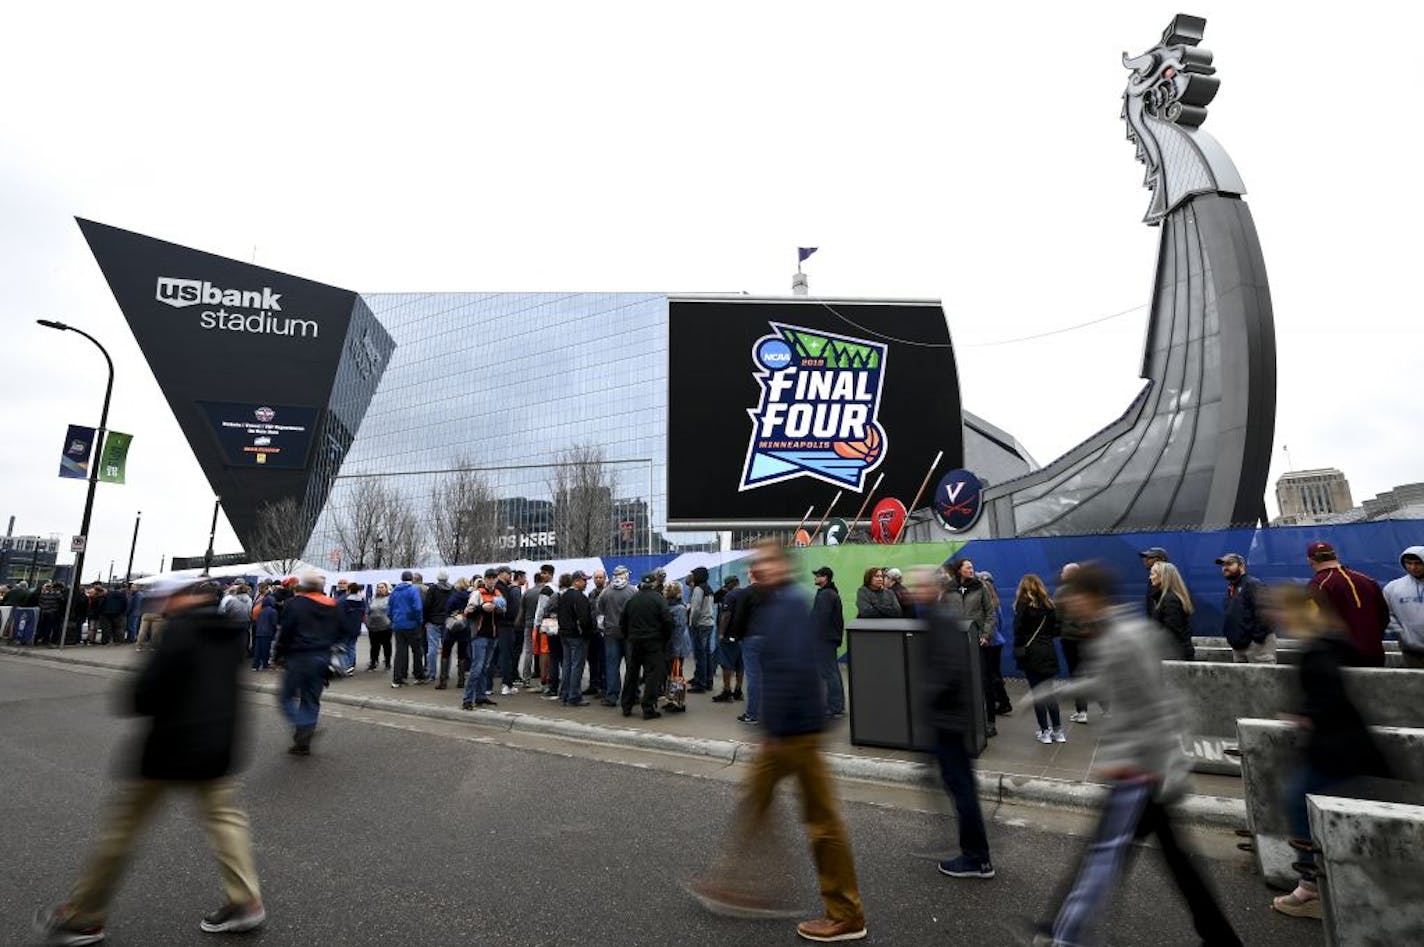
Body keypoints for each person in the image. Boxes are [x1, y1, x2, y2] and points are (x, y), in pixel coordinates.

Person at [32, 579, 266, 944]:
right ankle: (245, 901)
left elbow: (145, 694)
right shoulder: (229, 632)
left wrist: (140, 695)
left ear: (184, 597)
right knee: (226, 822)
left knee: (122, 829)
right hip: (219, 744)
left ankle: (84, 915)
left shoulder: (180, 631)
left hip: (172, 746)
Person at [1031, 563, 1241, 947]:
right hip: (1143, 770)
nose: (1067, 606)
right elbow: (1111, 683)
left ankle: (1067, 933)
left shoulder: (1122, 637)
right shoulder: (1118, 633)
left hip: (1139, 771)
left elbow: (1158, 704)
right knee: (1163, 860)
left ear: (1088, 596)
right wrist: (1053, 692)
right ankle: (1220, 937)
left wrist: (1166, 766)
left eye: (1071, 597)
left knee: (1103, 857)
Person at [689, 542, 867, 942]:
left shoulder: (787, 605)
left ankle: (846, 914)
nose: (758, 570)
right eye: (756, 565)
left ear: (783, 568)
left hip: (795, 732)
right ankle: (741, 885)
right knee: (754, 804)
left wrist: (778, 731)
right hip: (786, 729)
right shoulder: (776, 604)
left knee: (821, 823)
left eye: (766, 563)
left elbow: (794, 670)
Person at [1263, 583, 1394, 919]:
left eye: (1278, 609)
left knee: (1296, 799)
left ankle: (1313, 887)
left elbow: (1329, 694)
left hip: (1335, 747)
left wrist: (1305, 714)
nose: (1274, 615)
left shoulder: (1318, 649)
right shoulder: (1327, 642)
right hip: (1341, 745)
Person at [909, 566, 994, 880]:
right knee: (958, 786)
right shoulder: (936, 617)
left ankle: (976, 857)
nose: (915, 591)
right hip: (948, 718)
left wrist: (927, 698)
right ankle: (975, 852)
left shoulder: (940, 620)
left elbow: (947, 671)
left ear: (934, 588)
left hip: (948, 720)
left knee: (961, 788)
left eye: (919, 585)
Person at [272, 570, 340, 756]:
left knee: (286, 697)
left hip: (299, 656)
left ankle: (302, 725)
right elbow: (341, 630)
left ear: (304, 587)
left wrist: (278, 653)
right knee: (311, 699)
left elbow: (286, 631)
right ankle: (303, 742)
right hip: (322, 657)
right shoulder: (333, 605)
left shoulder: (296, 604)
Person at [942, 558, 1003, 736]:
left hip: (979, 642)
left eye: (972, 567)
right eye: (968, 567)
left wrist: (986, 635)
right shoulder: (948, 590)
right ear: (959, 570)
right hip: (957, 644)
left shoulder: (980, 587)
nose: (971, 569)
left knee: (986, 682)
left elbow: (990, 614)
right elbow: (943, 614)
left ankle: (990, 722)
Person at [1306, 541, 1391, 667]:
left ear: (1310, 560)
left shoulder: (1318, 585)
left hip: (1340, 659)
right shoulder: (1368, 580)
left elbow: (1313, 623)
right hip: (1374, 653)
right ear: (1336, 556)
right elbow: (1384, 617)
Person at [1013, 574, 1064, 744]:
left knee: (1037, 694)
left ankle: (1045, 732)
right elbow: (1056, 629)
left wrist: (1020, 645)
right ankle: (1058, 731)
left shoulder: (1023, 605)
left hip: (1031, 654)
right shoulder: (1049, 605)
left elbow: (1017, 630)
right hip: (1048, 651)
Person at [619, 572, 674, 719]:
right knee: (652, 675)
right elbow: (668, 621)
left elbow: (622, 621)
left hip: (635, 642)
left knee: (632, 674)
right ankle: (648, 707)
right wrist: (665, 638)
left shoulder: (632, 600)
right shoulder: (659, 599)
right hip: (654, 642)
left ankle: (627, 705)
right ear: (655, 583)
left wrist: (629, 636)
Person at [1216, 553, 1274, 663]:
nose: (1225, 568)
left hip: (1256, 647)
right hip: (1238, 647)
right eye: (1223, 565)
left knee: (1261, 679)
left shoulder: (1253, 584)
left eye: (1229, 564)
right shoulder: (1231, 588)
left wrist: (1255, 640)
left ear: (1241, 566)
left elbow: (1267, 613)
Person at [462, 569, 505, 709]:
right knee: (477, 668)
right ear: (485, 579)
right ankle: (467, 699)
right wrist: (482, 608)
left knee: (484, 668)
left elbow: (503, 614)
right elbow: (468, 612)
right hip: (479, 635)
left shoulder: (498, 594)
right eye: (489, 578)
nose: (491, 580)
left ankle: (480, 696)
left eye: (493, 578)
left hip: (493, 635)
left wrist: (498, 610)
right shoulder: (477, 593)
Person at [596, 565, 636, 706]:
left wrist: (603, 630)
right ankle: (633, 694)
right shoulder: (633, 591)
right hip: (629, 634)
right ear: (625, 575)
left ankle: (612, 696)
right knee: (632, 665)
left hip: (611, 634)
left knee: (612, 666)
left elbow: (599, 615)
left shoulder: (605, 593)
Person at [811, 566, 846, 719]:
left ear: (825, 577)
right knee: (832, 671)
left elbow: (821, 618)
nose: (815, 578)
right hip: (829, 638)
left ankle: (834, 707)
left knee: (829, 672)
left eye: (817, 576)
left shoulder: (826, 595)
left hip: (824, 639)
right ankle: (836, 705)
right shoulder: (831, 593)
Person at [557, 570, 596, 706]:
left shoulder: (563, 596)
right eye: (584, 580)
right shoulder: (580, 597)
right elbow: (585, 619)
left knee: (567, 665)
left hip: (564, 634)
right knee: (576, 666)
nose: (586, 583)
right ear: (577, 581)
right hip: (577, 635)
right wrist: (589, 630)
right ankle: (574, 695)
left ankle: (565, 693)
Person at [1384, 545, 1424, 668]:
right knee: (1416, 685)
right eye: (1409, 563)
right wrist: (1402, 633)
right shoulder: (1393, 588)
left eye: (1418, 563)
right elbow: (1387, 614)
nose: (1413, 567)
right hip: (1411, 650)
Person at [1146, 561, 1195, 660]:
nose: (1150, 577)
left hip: (1175, 656)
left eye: (1152, 574)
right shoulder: (1164, 598)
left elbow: (1172, 632)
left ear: (1162, 576)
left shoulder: (1170, 600)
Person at [711, 577, 746, 704]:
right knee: (740, 664)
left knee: (727, 664)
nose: (726, 587)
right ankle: (738, 690)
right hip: (743, 636)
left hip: (730, 635)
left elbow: (726, 615)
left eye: (727, 584)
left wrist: (721, 633)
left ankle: (727, 691)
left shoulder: (730, 596)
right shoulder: (746, 594)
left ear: (732, 584)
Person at [388, 570, 427, 687]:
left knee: (400, 651)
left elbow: (389, 608)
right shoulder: (413, 589)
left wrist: (394, 619)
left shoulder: (395, 591)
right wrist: (419, 621)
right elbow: (417, 608)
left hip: (398, 624)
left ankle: (398, 678)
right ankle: (418, 675)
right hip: (412, 624)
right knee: (417, 650)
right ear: (411, 579)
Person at [664, 580, 694, 713]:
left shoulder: (679, 609)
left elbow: (679, 630)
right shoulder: (675, 606)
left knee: (677, 674)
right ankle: (672, 699)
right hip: (674, 644)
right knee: (672, 674)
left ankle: (679, 702)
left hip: (677, 645)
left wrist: (676, 650)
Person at [686, 566, 717, 694]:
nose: (691, 576)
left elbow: (696, 609)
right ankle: (708, 680)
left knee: (700, 655)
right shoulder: (708, 588)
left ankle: (700, 683)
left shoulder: (699, 589)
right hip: (708, 623)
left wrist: (692, 623)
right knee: (707, 654)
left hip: (699, 625)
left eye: (693, 574)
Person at [438, 578, 472, 690]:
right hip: (464, 627)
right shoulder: (470, 596)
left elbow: (447, 610)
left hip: (452, 627)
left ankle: (443, 681)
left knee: (445, 652)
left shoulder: (454, 596)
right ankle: (461, 681)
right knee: (462, 654)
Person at [422, 570, 454, 690]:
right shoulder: (452, 589)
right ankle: (445, 673)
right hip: (447, 621)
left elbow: (427, 606)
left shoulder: (433, 589)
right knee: (447, 649)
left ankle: (431, 673)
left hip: (433, 621)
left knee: (432, 649)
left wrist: (425, 620)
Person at [495, 566, 524, 696]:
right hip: (505, 625)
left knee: (497, 656)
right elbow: (505, 607)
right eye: (508, 573)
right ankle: (506, 684)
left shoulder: (504, 587)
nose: (510, 576)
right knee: (507, 655)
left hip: (502, 625)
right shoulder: (501, 588)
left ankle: (490, 686)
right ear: (501, 574)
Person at [337, 583, 366, 676]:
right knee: (352, 647)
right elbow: (364, 613)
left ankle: (346, 667)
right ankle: (351, 666)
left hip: (345, 628)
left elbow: (340, 616)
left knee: (342, 648)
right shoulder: (362, 601)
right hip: (356, 628)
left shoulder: (343, 601)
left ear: (348, 590)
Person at [366, 582, 393, 671]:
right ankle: (373, 662)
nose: (380, 589)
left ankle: (388, 663)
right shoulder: (373, 599)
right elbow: (369, 610)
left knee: (386, 645)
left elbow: (392, 611)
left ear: (386, 588)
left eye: (382, 587)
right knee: (374, 646)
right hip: (373, 626)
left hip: (385, 626)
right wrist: (367, 622)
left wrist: (390, 622)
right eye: (378, 587)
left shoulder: (390, 598)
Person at [251, 584, 279, 671]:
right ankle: (265, 664)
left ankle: (255, 665)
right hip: (267, 632)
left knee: (258, 650)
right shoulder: (273, 611)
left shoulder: (261, 611)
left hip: (259, 631)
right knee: (265, 649)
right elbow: (274, 623)